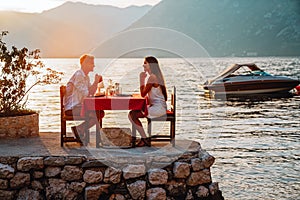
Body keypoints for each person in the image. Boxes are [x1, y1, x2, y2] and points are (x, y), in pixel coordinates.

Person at [64, 54, 104, 144]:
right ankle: (79, 129)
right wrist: (96, 82)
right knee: (98, 114)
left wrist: (95, 83)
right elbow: (87, 94)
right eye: (92, 63)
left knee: (100, 112)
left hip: (80, 106)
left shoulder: (86, 76)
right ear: (85, 64)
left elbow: (91, 93)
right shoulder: (79, 75)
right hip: (72, 107)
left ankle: (79, 129)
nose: (94, 65)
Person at [128, 56, 167, 147]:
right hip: (158, 106)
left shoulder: (152, 77)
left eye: (145, 63)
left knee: (132, 115)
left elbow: (142, 94)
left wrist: (141, 80)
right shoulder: (154, 76)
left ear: (151, 65)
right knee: (132, 113)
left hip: (158, 108)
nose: (143, 65)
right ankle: (144, 138)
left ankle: (144, 139)